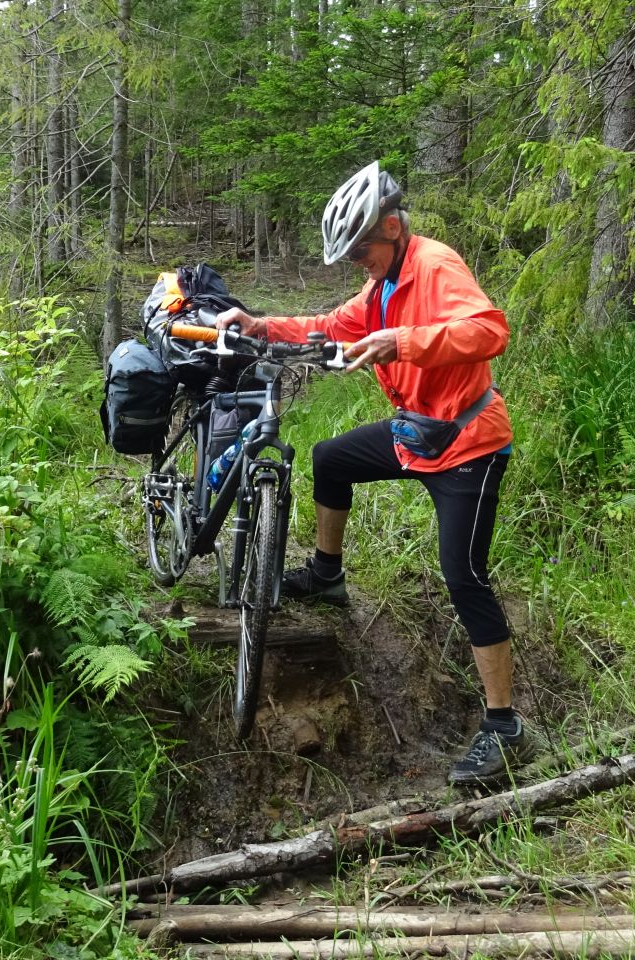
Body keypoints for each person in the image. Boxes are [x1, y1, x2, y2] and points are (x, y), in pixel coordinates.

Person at [216, 160, 530, 785]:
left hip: (467, 444)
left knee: (463, 574)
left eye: (363, 249)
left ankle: (504, 726)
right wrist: (261, 324)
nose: (360, 262)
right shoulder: (382, 283)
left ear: (391, 226)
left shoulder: (435, 267)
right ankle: (328, 575)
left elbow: (490, 330)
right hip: (416, 432)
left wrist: (403, 343)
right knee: (330, 459)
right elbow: (336, 324)